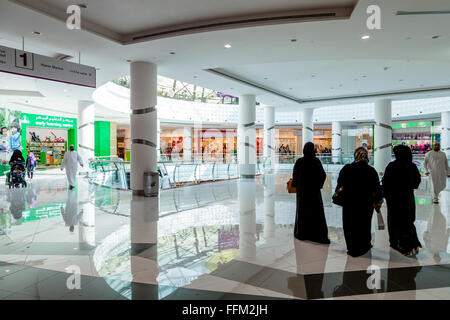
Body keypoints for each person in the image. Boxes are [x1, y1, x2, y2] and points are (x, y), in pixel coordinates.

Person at [335, 147, 383, 257]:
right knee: (364, 225)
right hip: (365, 205)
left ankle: (352, 247)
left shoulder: (347, 169)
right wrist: (377, 203)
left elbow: (340, 187)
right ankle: (364, 245)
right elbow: (377, 190)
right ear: (366, 156)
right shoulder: (371, 171)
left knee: (349, 225)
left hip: (349, 204)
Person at [382, 145, 422, 257]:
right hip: (407, 198)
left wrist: (384, 195)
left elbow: (385, 183)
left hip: (394, 200)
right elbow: (416, 183)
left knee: (394, 221)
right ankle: (411, 245)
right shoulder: (412, 166)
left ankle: (396, 243)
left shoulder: (392, 166)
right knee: (408, 221)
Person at [291, 142, 330, 244]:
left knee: (302, 211)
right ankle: (316, 234)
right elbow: (323, 175)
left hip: (302, 192)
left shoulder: (299, 162)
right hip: (314, 192)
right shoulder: (316, 161)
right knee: (316, 212)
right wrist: (318, 185)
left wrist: (297, 184)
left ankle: (302, 233)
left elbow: (295, 177)